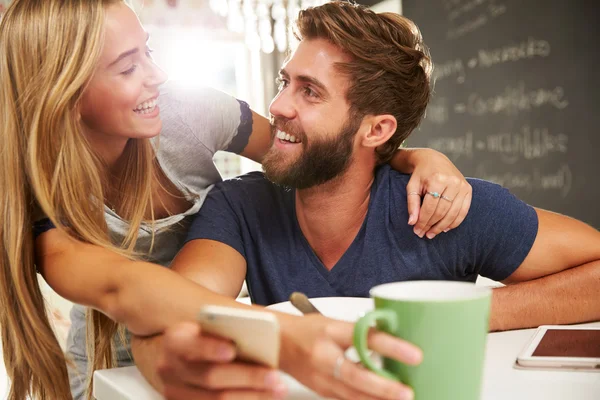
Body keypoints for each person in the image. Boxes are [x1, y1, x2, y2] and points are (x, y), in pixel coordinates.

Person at [0, 0, 473, 399]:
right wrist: (279, 333)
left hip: (214, 339)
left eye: (148, 51)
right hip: (110, 366)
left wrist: (413, 156)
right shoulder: (38, 188)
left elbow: (314, 151)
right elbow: (119, 287)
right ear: (63, 91)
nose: (158, 75)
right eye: (128, 67)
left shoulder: (187, 113)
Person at [130, 2, 600, 399]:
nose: (277, 106)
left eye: (309, 92)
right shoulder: (239, 206)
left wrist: (464, 312)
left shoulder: (445, 206)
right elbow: (177, 308)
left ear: (376, 130)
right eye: (284, 82)